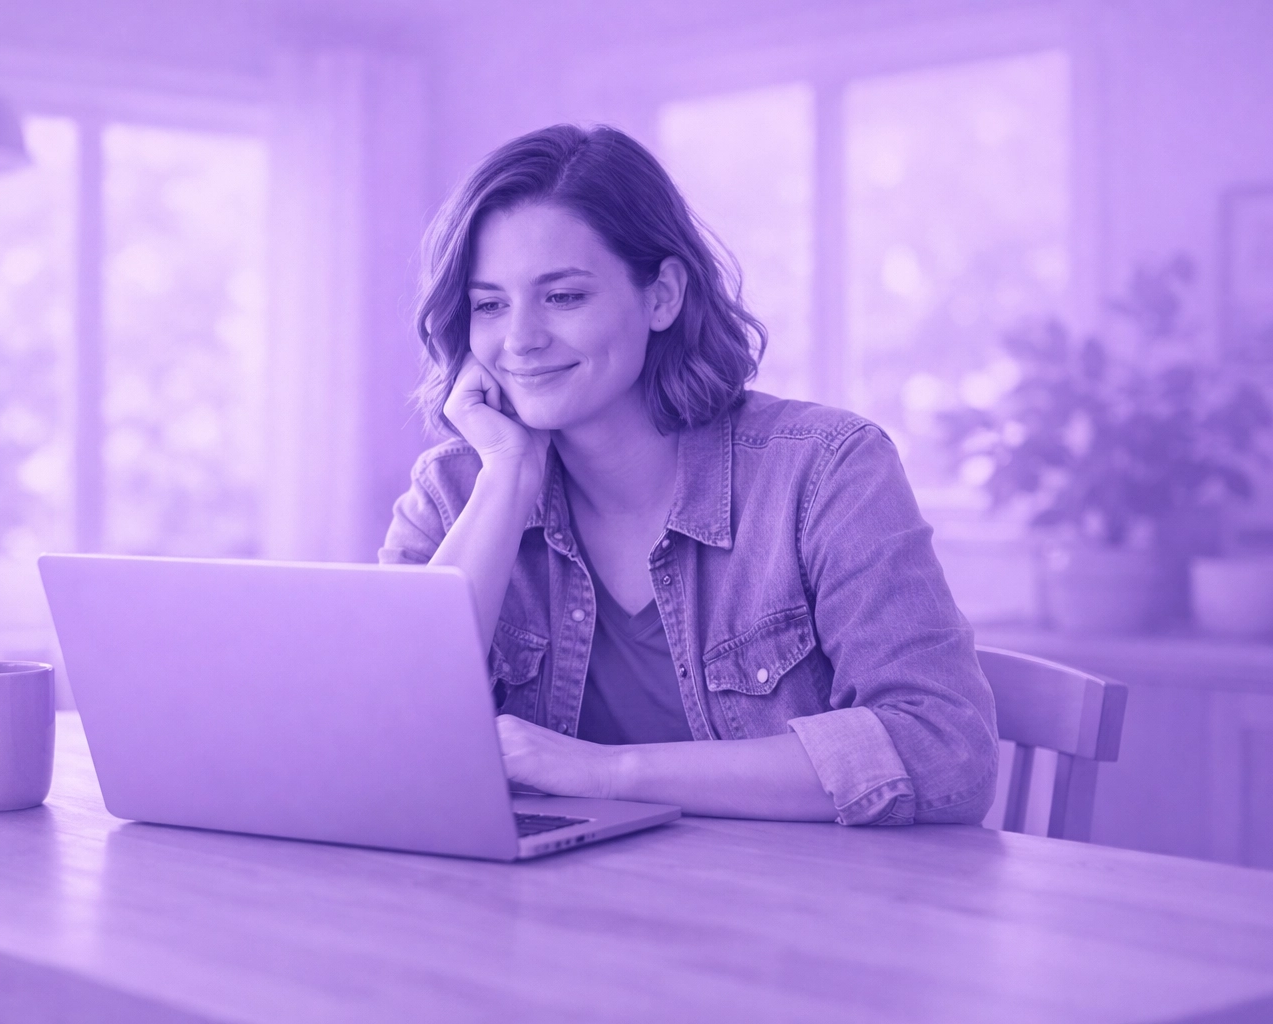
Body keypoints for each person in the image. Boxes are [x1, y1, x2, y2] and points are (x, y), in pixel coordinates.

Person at [379, 124, 998, 826]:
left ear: (663, 296)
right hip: (543, 911)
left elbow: (946, 749)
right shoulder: (457, 489)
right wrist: (510, 475)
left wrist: (609, 773)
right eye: (490, 305)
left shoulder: (825, 470)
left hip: (797, 914)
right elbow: (380, 742)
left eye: (564, 297)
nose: (519, 340)